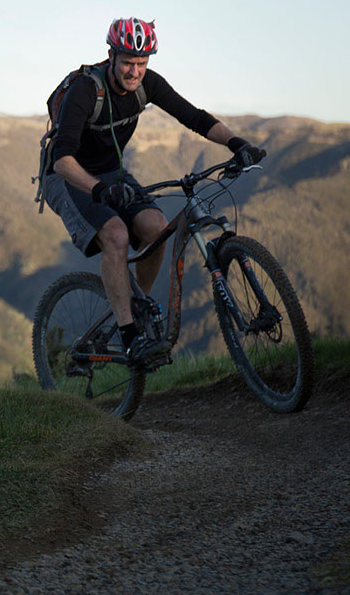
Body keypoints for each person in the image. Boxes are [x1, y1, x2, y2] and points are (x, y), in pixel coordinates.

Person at [41, 18, 267, 362]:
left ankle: (136, 310)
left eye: (142, 63)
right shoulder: (87, 91)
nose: (135, 71)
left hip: (111, 173)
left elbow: (196, 118)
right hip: (67, 176)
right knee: (115, 235)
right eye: (128, 62)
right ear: (112, 56)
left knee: (157, 229)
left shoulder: (149, 85)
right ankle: (130, 336)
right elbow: (62, 159)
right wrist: (100, 190)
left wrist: (237, 143)